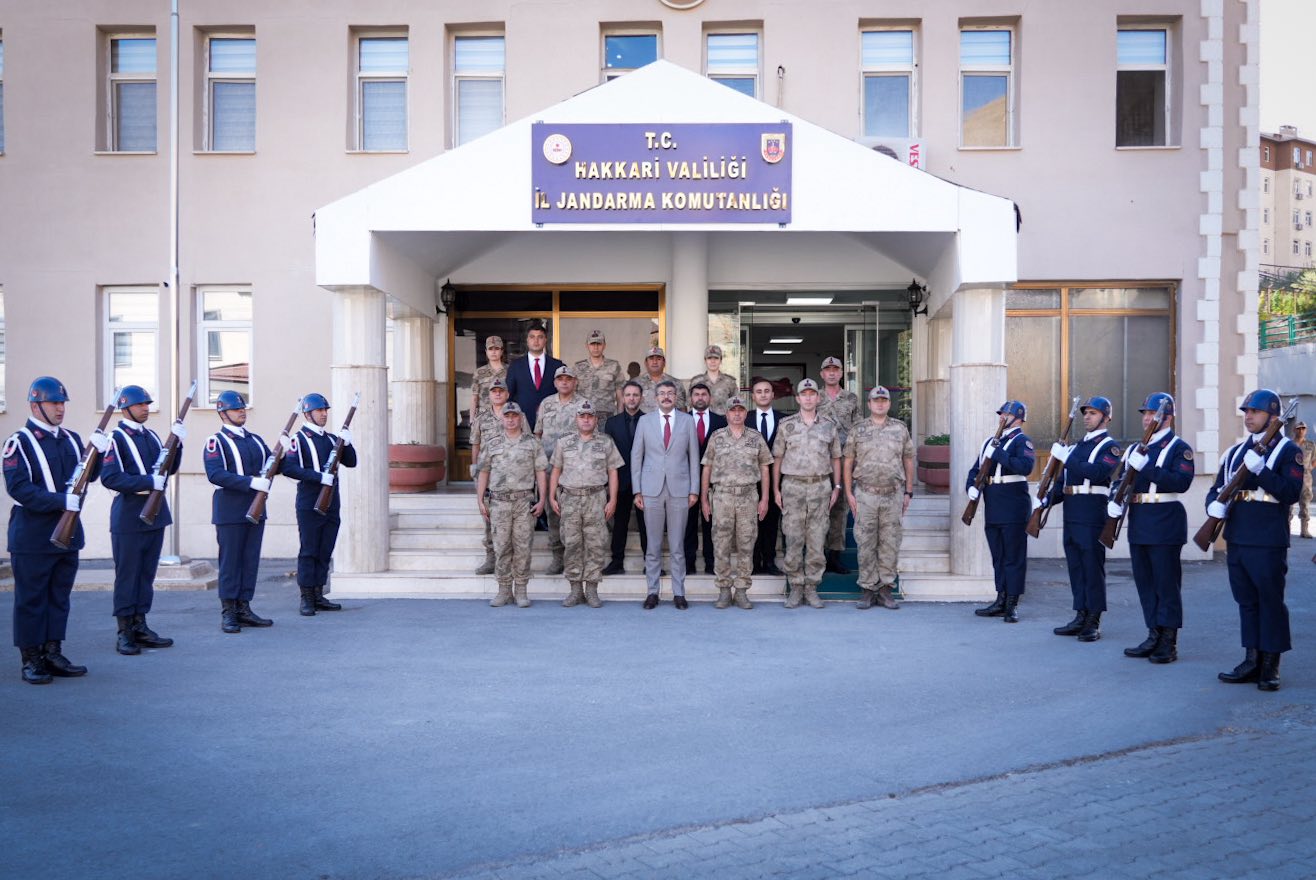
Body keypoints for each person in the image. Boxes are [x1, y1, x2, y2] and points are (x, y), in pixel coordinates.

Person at [4, 376, 102, 684]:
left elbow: (87, 476)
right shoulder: (18, 442)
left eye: (62, 403)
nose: (60, 408)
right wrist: (61, 501)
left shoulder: (71, 439)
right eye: (54, 403)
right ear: (36, 405)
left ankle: (52, 651)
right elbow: (19, 488)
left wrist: (97, 454)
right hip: (33, 534)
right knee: (31, 599)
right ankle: (31, 658)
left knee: (59, 597)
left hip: (67, 533)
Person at [1211, 389, 1304, 691]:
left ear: (1273, 417)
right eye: (1246, 411)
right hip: (1238, 535)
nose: (1248, 417)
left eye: (1255, 411)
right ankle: (1251, 659)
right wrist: (1212, 506)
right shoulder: (1235, 452)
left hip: (1267, 538)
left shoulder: (1288, 451)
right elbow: (1217, 487)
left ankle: (1270, 665)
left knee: (1270, 602)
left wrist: (1261, 471)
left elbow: (1290, 492)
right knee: (1247, 602)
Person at [99, 384, 184, 655]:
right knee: (128, 575)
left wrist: (177, 444)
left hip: (154, 513)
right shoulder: (116, 439)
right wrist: (148, 481)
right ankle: (124, 631)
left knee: (146, 575)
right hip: (129, 514)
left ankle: (140, 624)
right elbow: (110, 477)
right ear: (125, 408)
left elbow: (168, 468)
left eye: (147, 404)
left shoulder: (151, 436)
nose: (145, 408)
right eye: (140, 404)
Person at [1115, 392, 1194, 664]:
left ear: (1168, 417)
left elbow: (1181, 482)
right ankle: (1153, 634)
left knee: (1166, 583)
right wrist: (1114, 501)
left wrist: (1147, 468)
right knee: (1145, 582)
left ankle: (1168, 641)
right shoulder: (1134, 449)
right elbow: (1121, 479)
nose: (1147, 418)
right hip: (1139, 519)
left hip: (1165, 519)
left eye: (1153, 414)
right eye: (1145, 414)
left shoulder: (1179, 448)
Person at [1045, 396, 1122, 642]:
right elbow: (1064, 482)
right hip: (1072, 510)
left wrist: (1067, 458)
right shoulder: (1076, 447)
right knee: (1076, 566)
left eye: (1093, 413)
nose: (1087, 417)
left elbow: (1098, 473)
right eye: (1086, 413)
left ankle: (1093, 620)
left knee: (1091, 566)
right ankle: (1080, 614)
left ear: (1106, 418)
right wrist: (1046, 500)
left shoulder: (1110, 447)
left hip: (1091, 511)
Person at [203, 390, 276, 633]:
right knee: (231, 562)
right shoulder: (216, 441)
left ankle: (244, 607)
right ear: (223, 413)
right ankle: (229, 611)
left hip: (256, 508)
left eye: (243, 408)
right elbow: (215, 474)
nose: (241, 411)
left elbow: (274, 464)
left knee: (249, 560)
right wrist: (251, 482)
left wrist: (283, 452)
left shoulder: (255, 440)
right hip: (230, 509)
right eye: (236, 409)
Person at [281, 393, 358, 617]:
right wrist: (318, 477)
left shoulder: (331, 439)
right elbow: (289, 468)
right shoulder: (298, 440)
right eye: (319, 410)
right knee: (309, 550)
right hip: (309, 501)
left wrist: (347, 443)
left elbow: (351, 462)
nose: (324, 414)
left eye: (325, 410)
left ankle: (318, 594)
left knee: (325, 548)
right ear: (307, 414)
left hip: (331, 502)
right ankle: (306, 597)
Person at [773, 378, 842, 609]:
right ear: (798, 398)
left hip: (820, 486)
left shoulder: (829, 425)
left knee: (816, 539)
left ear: (818, 398)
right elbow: (778, 458)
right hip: (792, 486)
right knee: (793, 538)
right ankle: (795, 586)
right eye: (804, 394)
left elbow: (836, 458)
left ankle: (811, 587)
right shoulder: (786, 425)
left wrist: (837, 486)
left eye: (812, 394)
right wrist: (775, 489)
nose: (809, 398)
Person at [843, 386, 915, 611]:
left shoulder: (900, 428)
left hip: (893, 494)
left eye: (884, 400)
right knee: (865, 542)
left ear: (889, 404)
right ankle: (867, 589)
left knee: (890, 543)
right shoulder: (858, 429)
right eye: (876, 400)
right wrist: (849, 492)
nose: (880, 404)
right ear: (869, 404)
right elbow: (848, 461)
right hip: (866, 494)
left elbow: (908, 459)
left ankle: (885, 590)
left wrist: (908, 491)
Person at [631, 380, 700, 609]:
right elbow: (636, 456)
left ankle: (679, 593)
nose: (666, 396)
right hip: (651, 489)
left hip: (680, 489)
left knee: (677, 545)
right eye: (662, 393)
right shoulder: (645, 421)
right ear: (655, 398)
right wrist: (637, 489)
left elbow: (693, 457)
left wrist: (694, 489)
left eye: (670, 393)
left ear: (676, 396)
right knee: (653, 545)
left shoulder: (687, 421)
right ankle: (652, 592)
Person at [967, 401, 1036, 624]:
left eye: (1006, 414)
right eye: (1001, 414)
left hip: (1014, 504)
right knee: (998, 555)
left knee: (1013, 556)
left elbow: (1025, 467)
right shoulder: (990, 441)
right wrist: (971, 487)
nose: (1001, 417)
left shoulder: (1022, 441)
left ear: (1018, 418)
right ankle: (1000, 599)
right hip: (993, 504)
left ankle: (1012, 604)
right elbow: (976, 469)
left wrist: (999, 454)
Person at [549, 400, 622, 608]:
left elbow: (613, 472)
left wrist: (613, 499)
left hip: (596, 498)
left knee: (595, 544)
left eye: (590, 416)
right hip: (570, 499)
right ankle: (575, 590)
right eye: (582, 416)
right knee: (571, 544)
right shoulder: (564, 442)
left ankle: (591, 590)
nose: (586, 420)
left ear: (596, 419)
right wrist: (552, 496)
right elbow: (556, 469)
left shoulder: (606, 442)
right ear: (576, 419)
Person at [701, 396, 772, 609]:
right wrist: (704, 499)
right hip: (722, 496)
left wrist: (765, 498)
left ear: (746, 413)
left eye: (741, 410)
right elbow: (707, 467)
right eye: (733, 410)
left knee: (746, 543)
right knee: (721, 544)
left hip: (748, 496)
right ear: (727, 414)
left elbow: (765, 467)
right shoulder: (717, 437)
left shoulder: (755, 437)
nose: (737, 414)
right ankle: (724, 589)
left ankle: (741, 590)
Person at [475, 402, 548, 608]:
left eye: (514, 416)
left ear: (521, 418)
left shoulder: (532, 443)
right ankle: (504, 590)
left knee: (523, 548)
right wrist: (480, 500)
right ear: (502, 418)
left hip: (523, 502)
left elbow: (540, 472)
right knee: (501, 547)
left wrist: (542, 499)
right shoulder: (492, 443)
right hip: (499, 503)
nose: (510, 419)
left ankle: (521, 590)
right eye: (507, 416)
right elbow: (484, 472)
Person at [471, 378, 528, 575]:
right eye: (494, 391)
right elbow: (476, 444)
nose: (497, 394)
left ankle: (513, 561)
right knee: (489, 517)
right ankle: (491, 558)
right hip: (489, 476)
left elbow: (527, 441)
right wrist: (475, 468)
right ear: (489, 395)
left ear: (507, 394)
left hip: (515, 476)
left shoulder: (518, 415)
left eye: (501, 391)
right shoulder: (481, 418)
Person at [534, 365, 585, 574]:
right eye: (560, 379)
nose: (564, 382)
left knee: (574, 515)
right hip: (548, 468)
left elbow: (590, 436)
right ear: (555, 383)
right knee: (553, 513)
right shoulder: (546, 404)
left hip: (574, 470)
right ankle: (557, 557)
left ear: (575, 382)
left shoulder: (583, 404)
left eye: (568, 379)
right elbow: (538, 434)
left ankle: (575, 558)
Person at [817, 356, 861, 575]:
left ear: (842, 373)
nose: (832, 373)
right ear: (822, 374)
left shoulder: (851, 398)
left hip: (844, 460)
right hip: (819, 460)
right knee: (819, 507)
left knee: (840, 508)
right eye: (828, 369)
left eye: (836, 369)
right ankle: (817, 555)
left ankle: (835, 555)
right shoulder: (814, 397)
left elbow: (858, 429)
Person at [602, 380, 647, 575]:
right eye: (628, 395)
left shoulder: (649, 420)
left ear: (641, 398)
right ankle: (616, 561)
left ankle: (650, 562)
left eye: (635, 395)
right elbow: (607, 454)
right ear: (622, 398)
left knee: (646, 525)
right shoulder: (612, 423)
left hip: (645, 482)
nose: (631, 399)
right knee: (619, 523)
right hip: (619, 481)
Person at [683, 382, 726, 575]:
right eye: (696, 394)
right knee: (688, 523)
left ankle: (711, 563)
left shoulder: (721, 421)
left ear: (710, 398)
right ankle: (688, 563)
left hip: (714, 479)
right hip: (686, 479)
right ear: (690, 399)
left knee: (711, 523)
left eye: (704, 394)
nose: (700, 397)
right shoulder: (682, 421)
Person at [749, 377, 786, 576]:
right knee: (752, 522)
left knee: (771, 521)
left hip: (777, 479)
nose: (763, 395)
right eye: (759, 391)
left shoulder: (785, 420)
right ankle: (754, 562)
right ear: (753, 396)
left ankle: (770, 561)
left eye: (766, 391)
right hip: (751, 479)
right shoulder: (744, 418)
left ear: (773, 395)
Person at [504, 322, 564, 430]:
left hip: (551, 424)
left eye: (540, 337)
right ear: (527, 340)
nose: (536, 341)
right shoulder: (516, 366)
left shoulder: (557, 365)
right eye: (532, 337)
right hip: (522, 424)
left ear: (545, 340)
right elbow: (509, 395)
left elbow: (564, 394)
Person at [572, 329, 625, 422]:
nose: (596, 347)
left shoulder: (614, 366)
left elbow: (620, 396)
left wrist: (620, 418)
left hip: (608, 417)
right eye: (592, 344)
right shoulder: (578, 367)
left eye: (599, 344)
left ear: (604, 345)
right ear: (587, 346)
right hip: (584, 417)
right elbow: (572, 394)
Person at [687, 344, 738, 415]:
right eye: (709, 358)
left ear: (721, 360)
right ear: (705, 361)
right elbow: (690, 404)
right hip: (702, 420)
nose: (713, 361)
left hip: (723, 420)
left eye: (716, 358)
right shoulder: (696, 381)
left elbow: (735, 404)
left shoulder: (729, 381)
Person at [636, 346, 687, 413]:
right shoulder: (636, 383)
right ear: (646, 363)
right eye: (651, 359)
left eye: (658, 359)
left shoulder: (676, 383)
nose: (655, 362)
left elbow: (682, 409)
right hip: (643, 419)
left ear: (664, 363)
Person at [469, 335, 508, 419]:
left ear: (501, 351)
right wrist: (471, 420)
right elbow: (474, 397)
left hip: (505, 416)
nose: (493, 352)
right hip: (484, 418)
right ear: (486, 351)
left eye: (496, 349)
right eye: (490, 349)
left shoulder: (510, 371)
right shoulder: (479, 373)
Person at [1292, 420, 1313, 539]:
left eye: (1303, 428)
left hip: (1305, 479)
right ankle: (1286, 528)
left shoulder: (1311, 445)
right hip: (1291, 476)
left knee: (1305, 504)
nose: (1301, 430)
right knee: (1288, 504)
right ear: (1294, 430)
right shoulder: (1289, 444)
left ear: (1306, 430)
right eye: (1298, 428)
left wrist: (1309, 468)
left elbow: (1314, 459)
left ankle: (1304, 530)